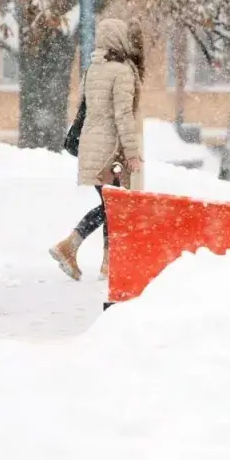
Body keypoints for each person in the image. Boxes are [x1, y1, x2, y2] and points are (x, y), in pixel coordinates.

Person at [49, 18, 145, 281]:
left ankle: (105, 263)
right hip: (109, 150)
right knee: (114, 206)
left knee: (111, 204)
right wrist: (133, 153)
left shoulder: (93, 69)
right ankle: (71, 246)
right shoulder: (122, 71)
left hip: (90, 145)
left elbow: (84, 108)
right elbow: (123, 115)